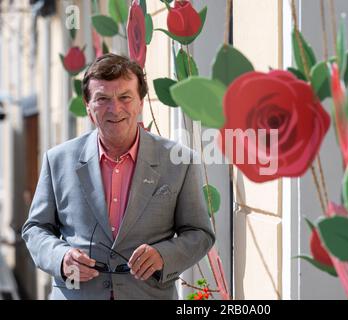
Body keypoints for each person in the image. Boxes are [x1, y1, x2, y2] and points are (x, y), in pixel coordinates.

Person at [22, 53, 215, 300]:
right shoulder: (58, 160)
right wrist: (61, 258)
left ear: (140, 103)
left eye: (125, 97)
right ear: (88, 106)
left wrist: (163, 256)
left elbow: (200, 233)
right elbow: (35, 228)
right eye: (102, 99)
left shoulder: (179, 161)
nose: (115, 109)